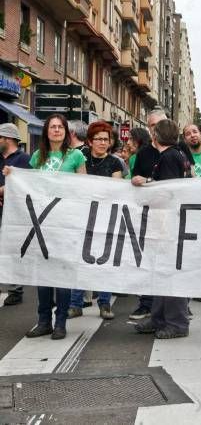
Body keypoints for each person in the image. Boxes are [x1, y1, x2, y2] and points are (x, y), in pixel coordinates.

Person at [2, 114, 86, 340]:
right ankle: (43, 320)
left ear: (66, 132)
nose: (56, 130)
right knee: (42, 274)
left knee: (62, 274)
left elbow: (85, 187)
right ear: (46, 132)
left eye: (60, 127)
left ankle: (60, 323)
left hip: (65, 222)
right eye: (52, 127)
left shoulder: (76, 155)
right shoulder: (38, 156)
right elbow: (27, 184)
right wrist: (12, 176)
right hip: (41, 222)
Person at [131, 119, 191, 339]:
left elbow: (167, 191)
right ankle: (159, 317)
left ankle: (177, 322)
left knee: (170, 272)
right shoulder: (176, 155)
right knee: (161, 271)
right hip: (168, 222)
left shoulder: (168, 157)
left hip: (168, 223)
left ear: (156, 136)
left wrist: (145, 181)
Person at [67, 121, 124, 321]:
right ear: (90, 141)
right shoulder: (80, 160)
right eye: (98, 139)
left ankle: (104, 303)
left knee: (104, 261)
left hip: (105, 219)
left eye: (106, 139)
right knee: (79, 260)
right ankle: (75, 304)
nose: (102, 143)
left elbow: (116, 191)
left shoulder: (115, 163)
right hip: (82, 217)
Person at [128, 110, 170, 319]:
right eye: (152, 126)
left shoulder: (177, 150)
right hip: (147, 215)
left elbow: (181, 183)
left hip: (170, 218)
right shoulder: (143, 153)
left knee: (168, 261)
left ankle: (172, 303)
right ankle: (146, 303)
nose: (155, 129)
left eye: (159, 124)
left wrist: (149, 182)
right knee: (146, 259)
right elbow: (135, 178)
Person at [0, 123, 30, 306]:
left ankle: (15, 289)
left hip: (15, 212)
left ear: (7, 139)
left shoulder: (24, 160)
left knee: (12, 249)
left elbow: (25, 185)